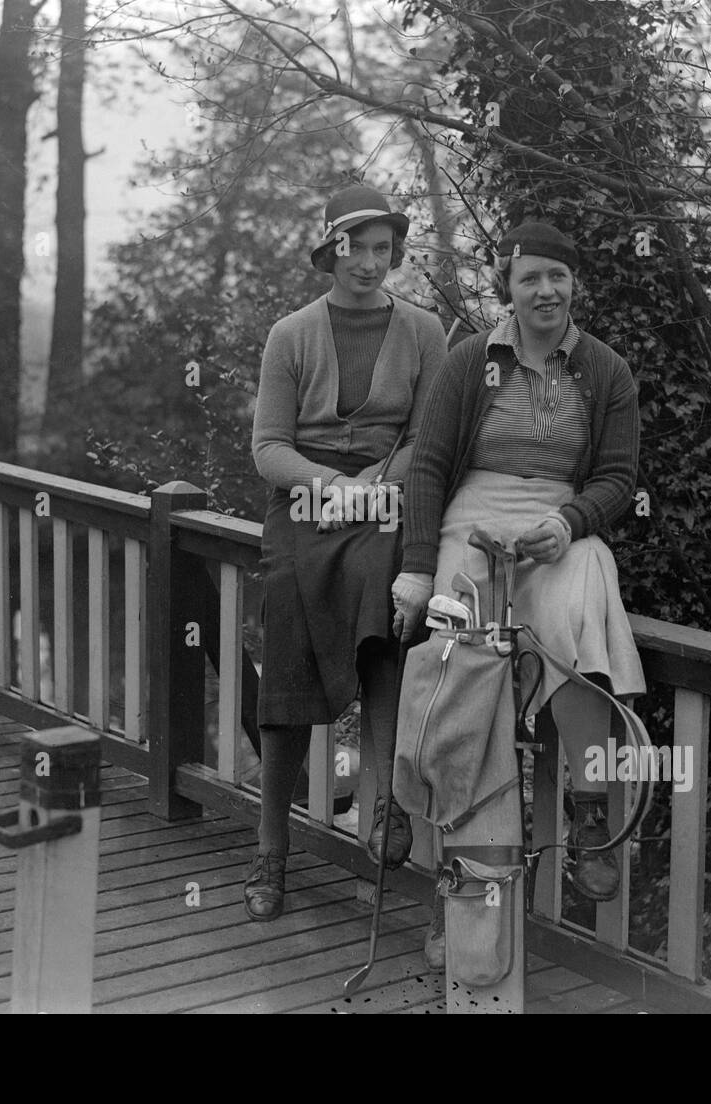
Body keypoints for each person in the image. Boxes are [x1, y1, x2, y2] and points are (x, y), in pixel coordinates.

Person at [391, 221, 646, 966]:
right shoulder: (472, 360)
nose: (545, 291)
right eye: (531, 277)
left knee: (578, 607)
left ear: (575, 286)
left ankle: (591, 810)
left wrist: (568, 524)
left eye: (558, 278)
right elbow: (430, 467)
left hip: (558, 521)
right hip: (472, 518)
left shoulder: (605, 371)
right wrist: (415, 568)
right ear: (509, 283)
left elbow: (619, 480)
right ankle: (460, 895)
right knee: (461, 677)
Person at [245, 184, 447, 921]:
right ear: (330, 249)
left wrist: (374, 486)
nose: (369, 263)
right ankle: (271, 853)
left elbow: (430, 438)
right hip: (304, 506)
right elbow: (268, 446)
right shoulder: (291, 334)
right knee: (291, 634)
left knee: (391, 616)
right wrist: (330, 484)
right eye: (355, 247)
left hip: (387, 501)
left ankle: (387, 804)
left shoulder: (426, 332)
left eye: (382, 249)